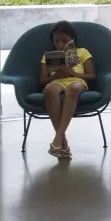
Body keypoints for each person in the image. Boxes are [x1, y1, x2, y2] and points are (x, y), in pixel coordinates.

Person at [38, 21, 95, 158]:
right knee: (50, 89)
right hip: (57, 81)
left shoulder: (82, 52)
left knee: (73, 88)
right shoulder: (48, 56)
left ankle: (58, 138)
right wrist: (55, 76)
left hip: (77, 81)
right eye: (56, 41)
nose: (60, 44)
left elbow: (92, 75)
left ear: (72, 39)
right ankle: (62, 143)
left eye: (64, 41)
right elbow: (42, 81)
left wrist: (75, 74)